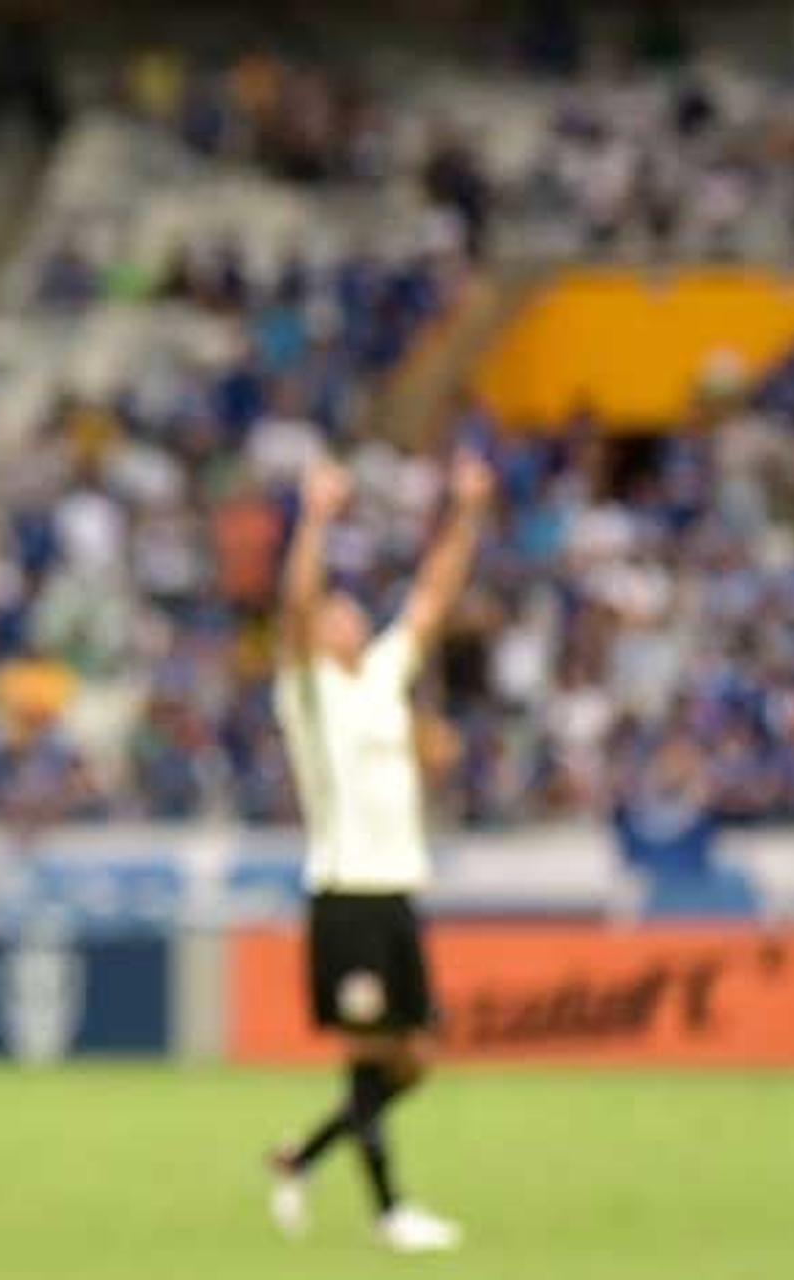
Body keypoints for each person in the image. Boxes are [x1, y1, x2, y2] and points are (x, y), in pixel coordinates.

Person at [264, 450, 493, 1254]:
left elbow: (433, 597)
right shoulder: (308, 695)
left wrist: (466, 510)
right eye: (336, 612)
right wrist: (316, 518)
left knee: (416, 1057)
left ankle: (299, 1159)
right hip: (346, 893)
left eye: (350, 610)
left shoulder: (382, 679)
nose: (346, 617)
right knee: (368, 1055)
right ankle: (391, 1211)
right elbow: (293, 605)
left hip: (397, 890)